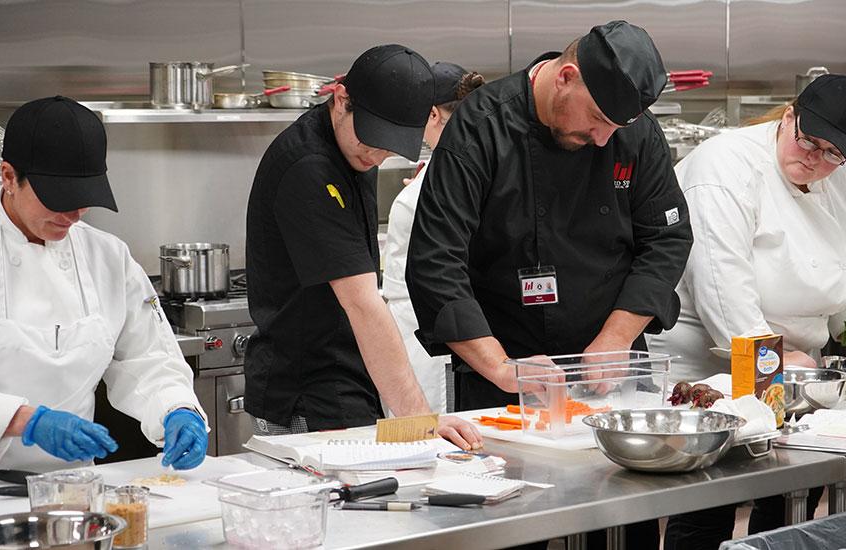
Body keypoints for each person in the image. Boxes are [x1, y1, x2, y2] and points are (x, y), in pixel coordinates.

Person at [406, 21, 690, 548]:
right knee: (516, 529)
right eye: (599, 120)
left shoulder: (634, 131)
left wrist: (615, 341)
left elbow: (667, 240)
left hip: (610, 377)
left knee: (624, 525)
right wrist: (499, 365)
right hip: (503, 377)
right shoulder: (479, 126)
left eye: (617, 126)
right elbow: (434, 261)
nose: (605, 138)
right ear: (565, 77)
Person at [0, 96, 208, 486]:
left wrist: (176, 408)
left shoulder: (109, 257)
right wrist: (27, 421)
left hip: (72, 490)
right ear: (8, 177)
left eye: (83, 200)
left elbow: (147, 358)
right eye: (56, 198)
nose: (71, 215)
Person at [651, 74, 846, 549]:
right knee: (711, 506)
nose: (815, 160)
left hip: (795, 375)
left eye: (832, 154)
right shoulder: (725, 167)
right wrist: (774, 364)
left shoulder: (838, 175)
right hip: (707, 370)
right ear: (788, 117)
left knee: (792, 500)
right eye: (808, 142)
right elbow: (723, 292)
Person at [243, 45, 481, 449]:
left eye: (390, 146)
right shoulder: (310, 168)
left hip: (346, 378)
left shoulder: (351, 148)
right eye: (372, 139)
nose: (377, 154)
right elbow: (362, 303)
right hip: (309, 395)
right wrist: (420, 421)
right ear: (340, 100)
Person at [382, 62, 485, 413]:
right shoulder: (473, 168)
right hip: (454, 341)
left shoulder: (432, 187)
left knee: (434, 448)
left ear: (431, 114)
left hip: (424, 346)